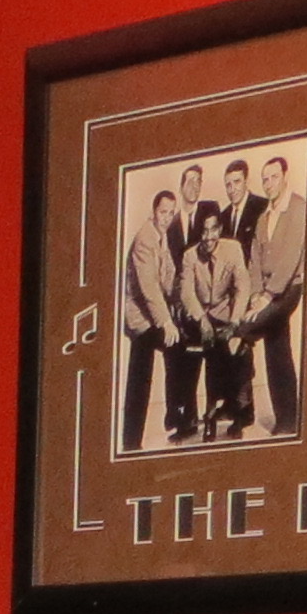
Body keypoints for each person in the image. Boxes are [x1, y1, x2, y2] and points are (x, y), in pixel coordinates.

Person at [120, 187, 193, 452]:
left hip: (153, 316)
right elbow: (149, 287)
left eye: (171, 213)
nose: (167, 218)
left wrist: (185, 303)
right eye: (163, 212)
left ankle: (174, 418)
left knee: (178, 350)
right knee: (141, 378)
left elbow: (169, 277)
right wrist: (167, 322)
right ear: (154, 212)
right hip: (140, 319)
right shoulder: (145, 239)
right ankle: (132, 442)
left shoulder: (161, 236)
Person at [240, 152, 307, 437]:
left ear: (285, 177)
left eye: (274, 177)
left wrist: (267, 297)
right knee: (277, 347)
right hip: (266, 292)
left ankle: (287, 418)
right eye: (265, 179)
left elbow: (291, 257)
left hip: (289, 287)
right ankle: (287, 419)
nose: (269, 184)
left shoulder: (298, 208)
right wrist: (257, 293)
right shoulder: (263, 218)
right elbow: (254, 260)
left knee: (248, 330)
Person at [178, 200, 253, 441]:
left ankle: (240, 411)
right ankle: (208, 414)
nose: (208, 237)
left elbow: (243, 287)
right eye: (203, 231)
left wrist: (234, 322)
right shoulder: (190, 256)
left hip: (226, 314)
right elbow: (186, 293)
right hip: (199, 316)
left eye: (213, 230)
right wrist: (201, 319)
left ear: (220, 229)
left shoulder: (233, 249)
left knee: (238, 348)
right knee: (210, 349)